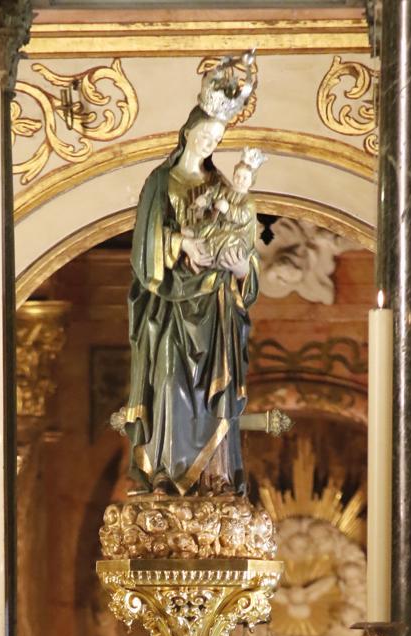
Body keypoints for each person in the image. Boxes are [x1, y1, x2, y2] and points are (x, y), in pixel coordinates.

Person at [122, 56, 261, 497]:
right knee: (168, 381)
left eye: (216, 139)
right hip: (169, 311)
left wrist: (242, 268)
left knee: (211, 397)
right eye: (204, 135)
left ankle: (213, 478)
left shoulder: (222, 188)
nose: (208, 144)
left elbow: (246, 250)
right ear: (188, 133)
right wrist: (180, 244)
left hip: (215, 307)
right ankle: (165, 471)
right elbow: (145, 248)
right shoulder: (160, 183)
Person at [185, 146, 266, 269]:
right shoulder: (224, 190)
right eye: (237, 176)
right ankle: (192, 235)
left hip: (236, 233)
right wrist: (204, 200)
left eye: (245, 178)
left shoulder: (248, 201)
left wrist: (228, 209)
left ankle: (207, 251)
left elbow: (243, 216)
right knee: (207, 227)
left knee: (227, 239)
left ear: (251, 181)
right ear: (233, 175)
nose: (240, 180)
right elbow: (212, 196)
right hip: (218, 225)